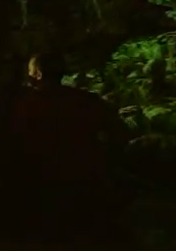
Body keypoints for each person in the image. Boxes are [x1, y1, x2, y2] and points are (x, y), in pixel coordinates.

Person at [10, 51, 123, 185]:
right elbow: (117, 132)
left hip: (42, 179)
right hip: (85, 177)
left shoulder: (26, 105)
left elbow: (16, 142)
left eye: (30, 72)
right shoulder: (87, 100)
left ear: (38, 74)